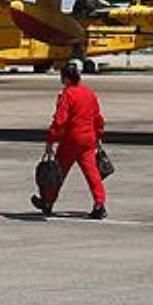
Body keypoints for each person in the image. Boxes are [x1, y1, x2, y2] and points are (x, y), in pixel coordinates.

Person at [31, 61, 107, 219]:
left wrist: (51, 139)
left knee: (57, 172)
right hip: (88, 139)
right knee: (92, 172)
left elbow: (60, 121)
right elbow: (98, 118)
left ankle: (47, 202)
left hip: (71, 140)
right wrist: (98, 136)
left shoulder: (67, 95)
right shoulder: (89, 93)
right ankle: (99, 204)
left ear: (65, 78)